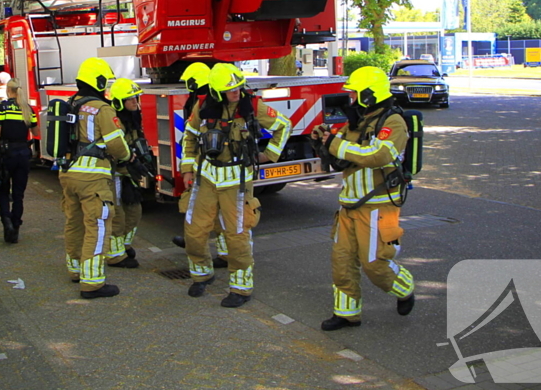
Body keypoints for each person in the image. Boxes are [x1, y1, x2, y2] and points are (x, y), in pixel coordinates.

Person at [311, 66, 415, 331]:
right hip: (349, 204)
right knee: (342, 261)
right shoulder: (358, 120)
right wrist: (325, 139)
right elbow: (342, 157)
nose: (352, 99)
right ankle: (347, 314)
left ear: (370, 94)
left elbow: (376, 156)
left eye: (356, 94)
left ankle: (404, 288)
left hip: (377, 205)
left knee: (375, 264)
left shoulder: (393, 122)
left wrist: (335, 143)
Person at [181, 63, 290, 308]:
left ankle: (240, 288)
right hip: (205, 178)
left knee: (238, 236)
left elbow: (283, 126)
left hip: (237, 181)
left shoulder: (251, 105)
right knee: (194, 231)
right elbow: (189, 135)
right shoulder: (203, 106)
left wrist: (268, 155)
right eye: (231, 90)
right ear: (217, 92)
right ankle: (201, 275)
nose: (236, 93)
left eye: (239, 87)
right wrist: (187, 168)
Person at [60, 57, 131, 299]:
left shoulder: (71, 104)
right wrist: (128, 157)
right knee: (98, 225)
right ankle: (92, 283)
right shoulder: (102, 109)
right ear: (98, 81)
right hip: (92, 177)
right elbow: (117, 146)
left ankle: (76, 269)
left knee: (74, 221)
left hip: (67, 173)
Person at [172, 62, 229, 269]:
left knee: (199, 208)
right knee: (217, 212)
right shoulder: (208, 100)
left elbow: (191, 136)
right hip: (209, 166)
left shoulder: (202, 102)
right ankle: (224, 253)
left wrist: (188, 166)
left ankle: (202, 248)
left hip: (206, 167)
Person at [0, 78, 37, 243]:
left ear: (9, 91)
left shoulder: (3, 108)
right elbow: (36, 132)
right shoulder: (27, 109)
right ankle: (16, 225)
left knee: (2, 191)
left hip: (5, 154)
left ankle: (6, 221)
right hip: (23, 154)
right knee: (18, 194)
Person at [105, 78, 148, 269]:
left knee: (135, 210)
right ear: (120, 102)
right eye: (131, 100)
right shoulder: (113, 120)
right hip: (114, 173)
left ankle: (124, 245)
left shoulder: (133, 120)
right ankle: (115, 255)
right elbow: (115, 149)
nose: (135, 103)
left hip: (128, 173)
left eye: (136, 99)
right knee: (118, 214)